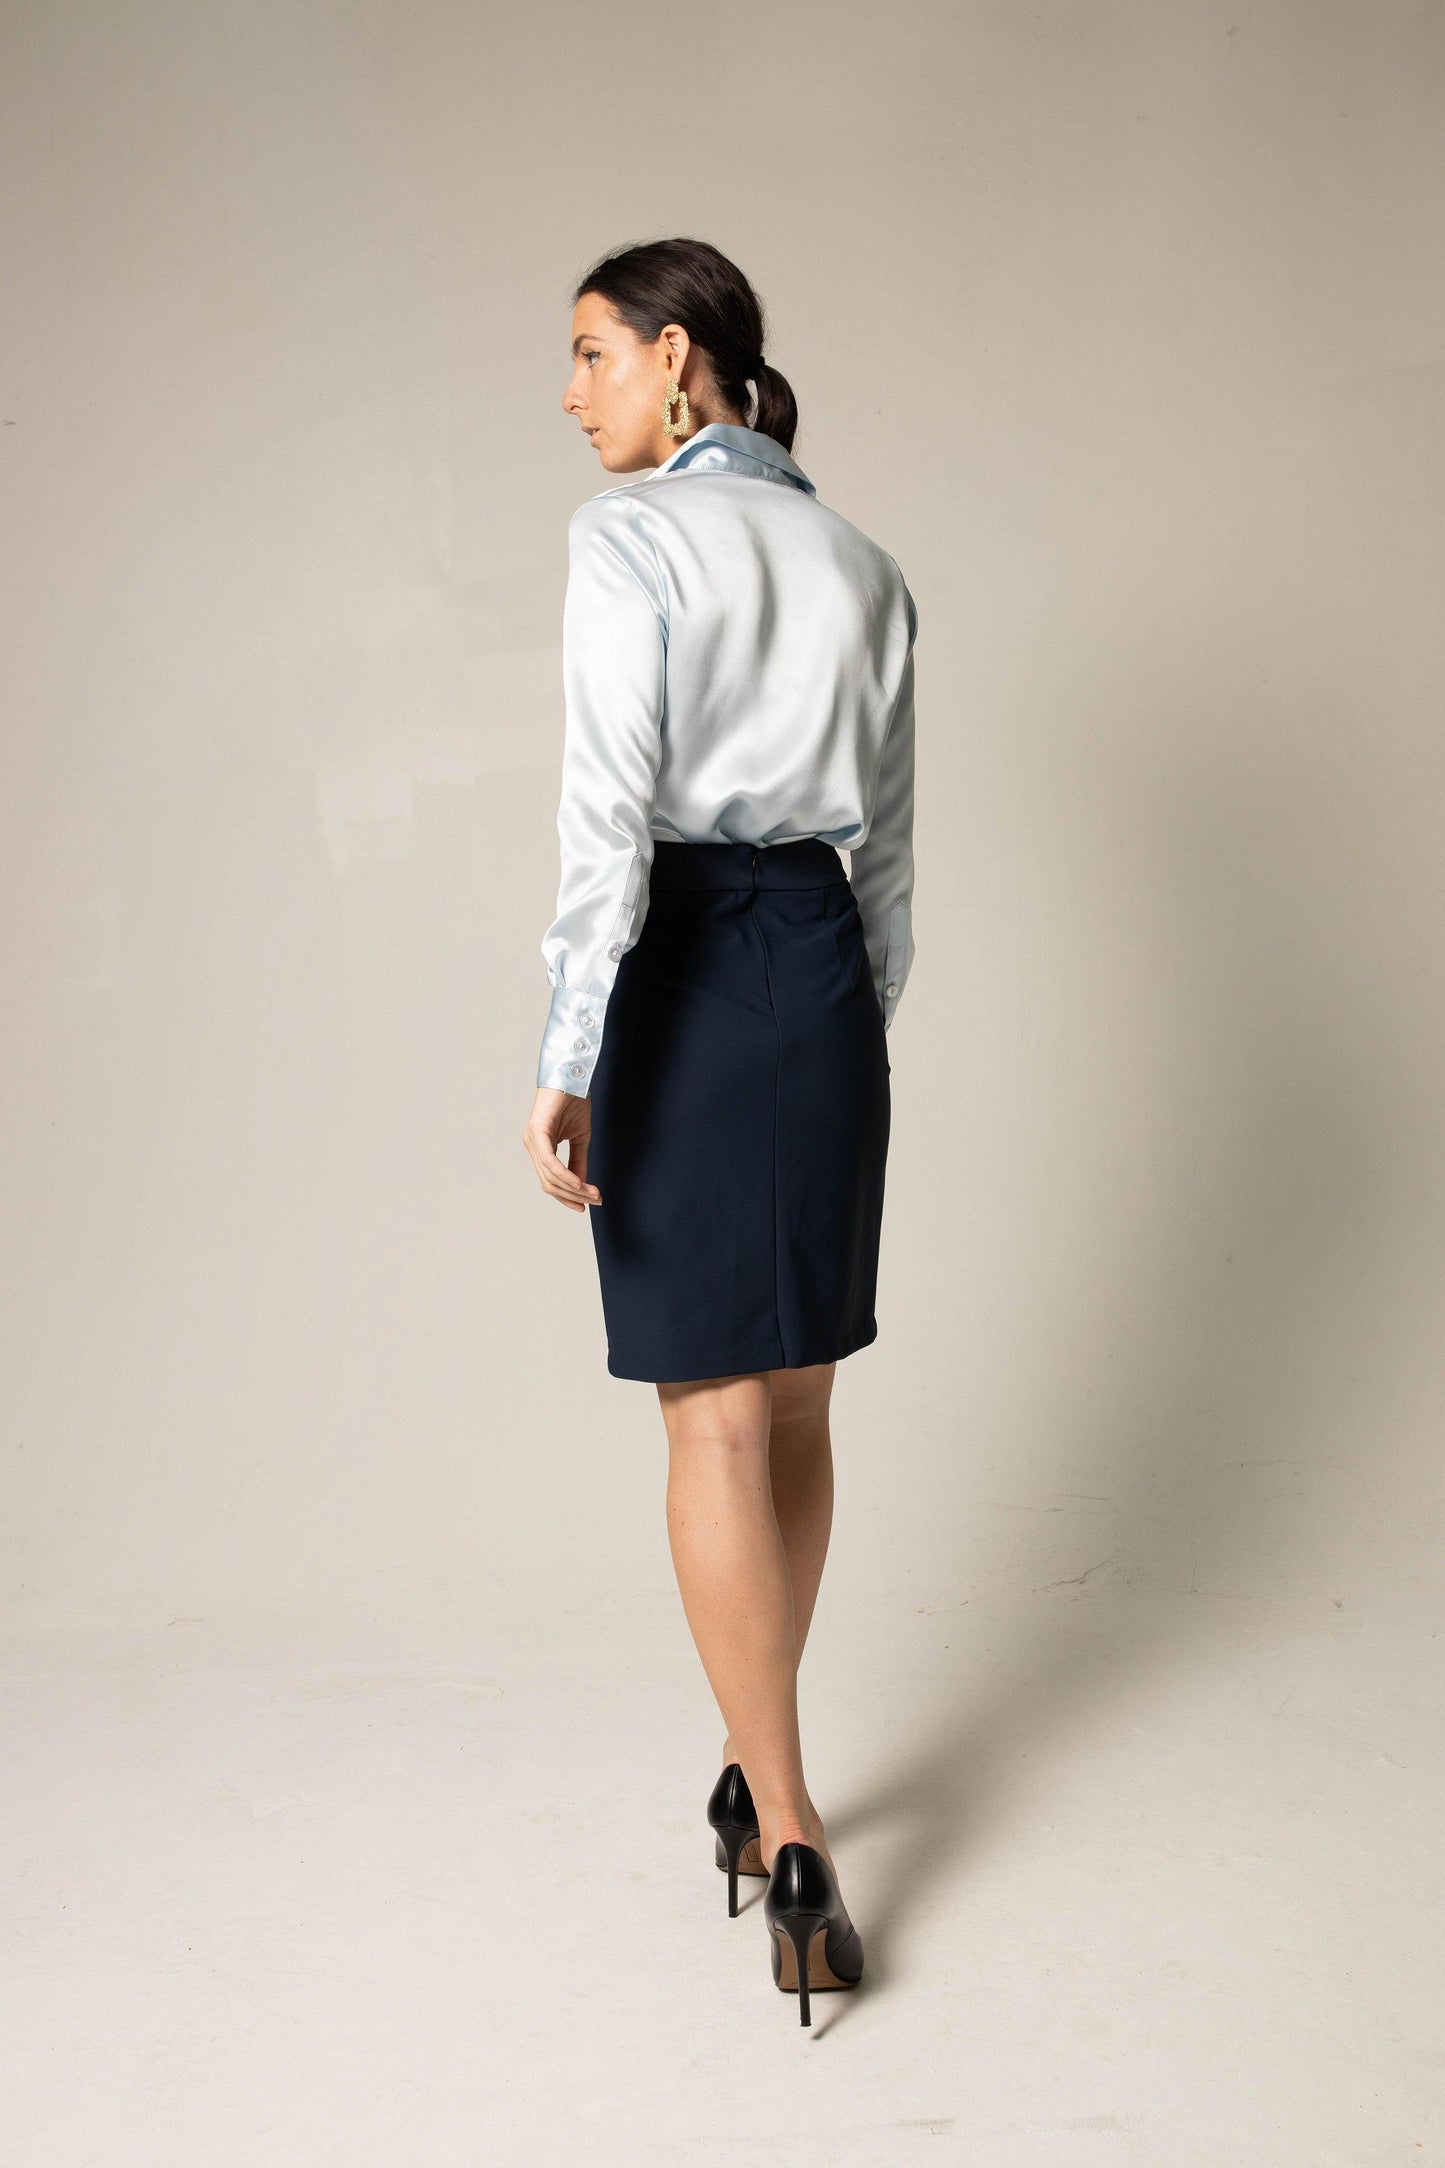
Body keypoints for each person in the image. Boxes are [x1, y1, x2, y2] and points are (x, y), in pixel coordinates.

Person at [521, 237, 917, 2025]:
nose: (573, 388)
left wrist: (567, 1044)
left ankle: (792, 1819)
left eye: (595, 353)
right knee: (801, 1397)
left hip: (683, 963)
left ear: (681, 363)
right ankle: (753, 1769)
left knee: (712, 1418)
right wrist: (841, 1021)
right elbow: (891, 859)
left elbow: (609, 816)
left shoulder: (631, 541)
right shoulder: (860, 560)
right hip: (821, 978)